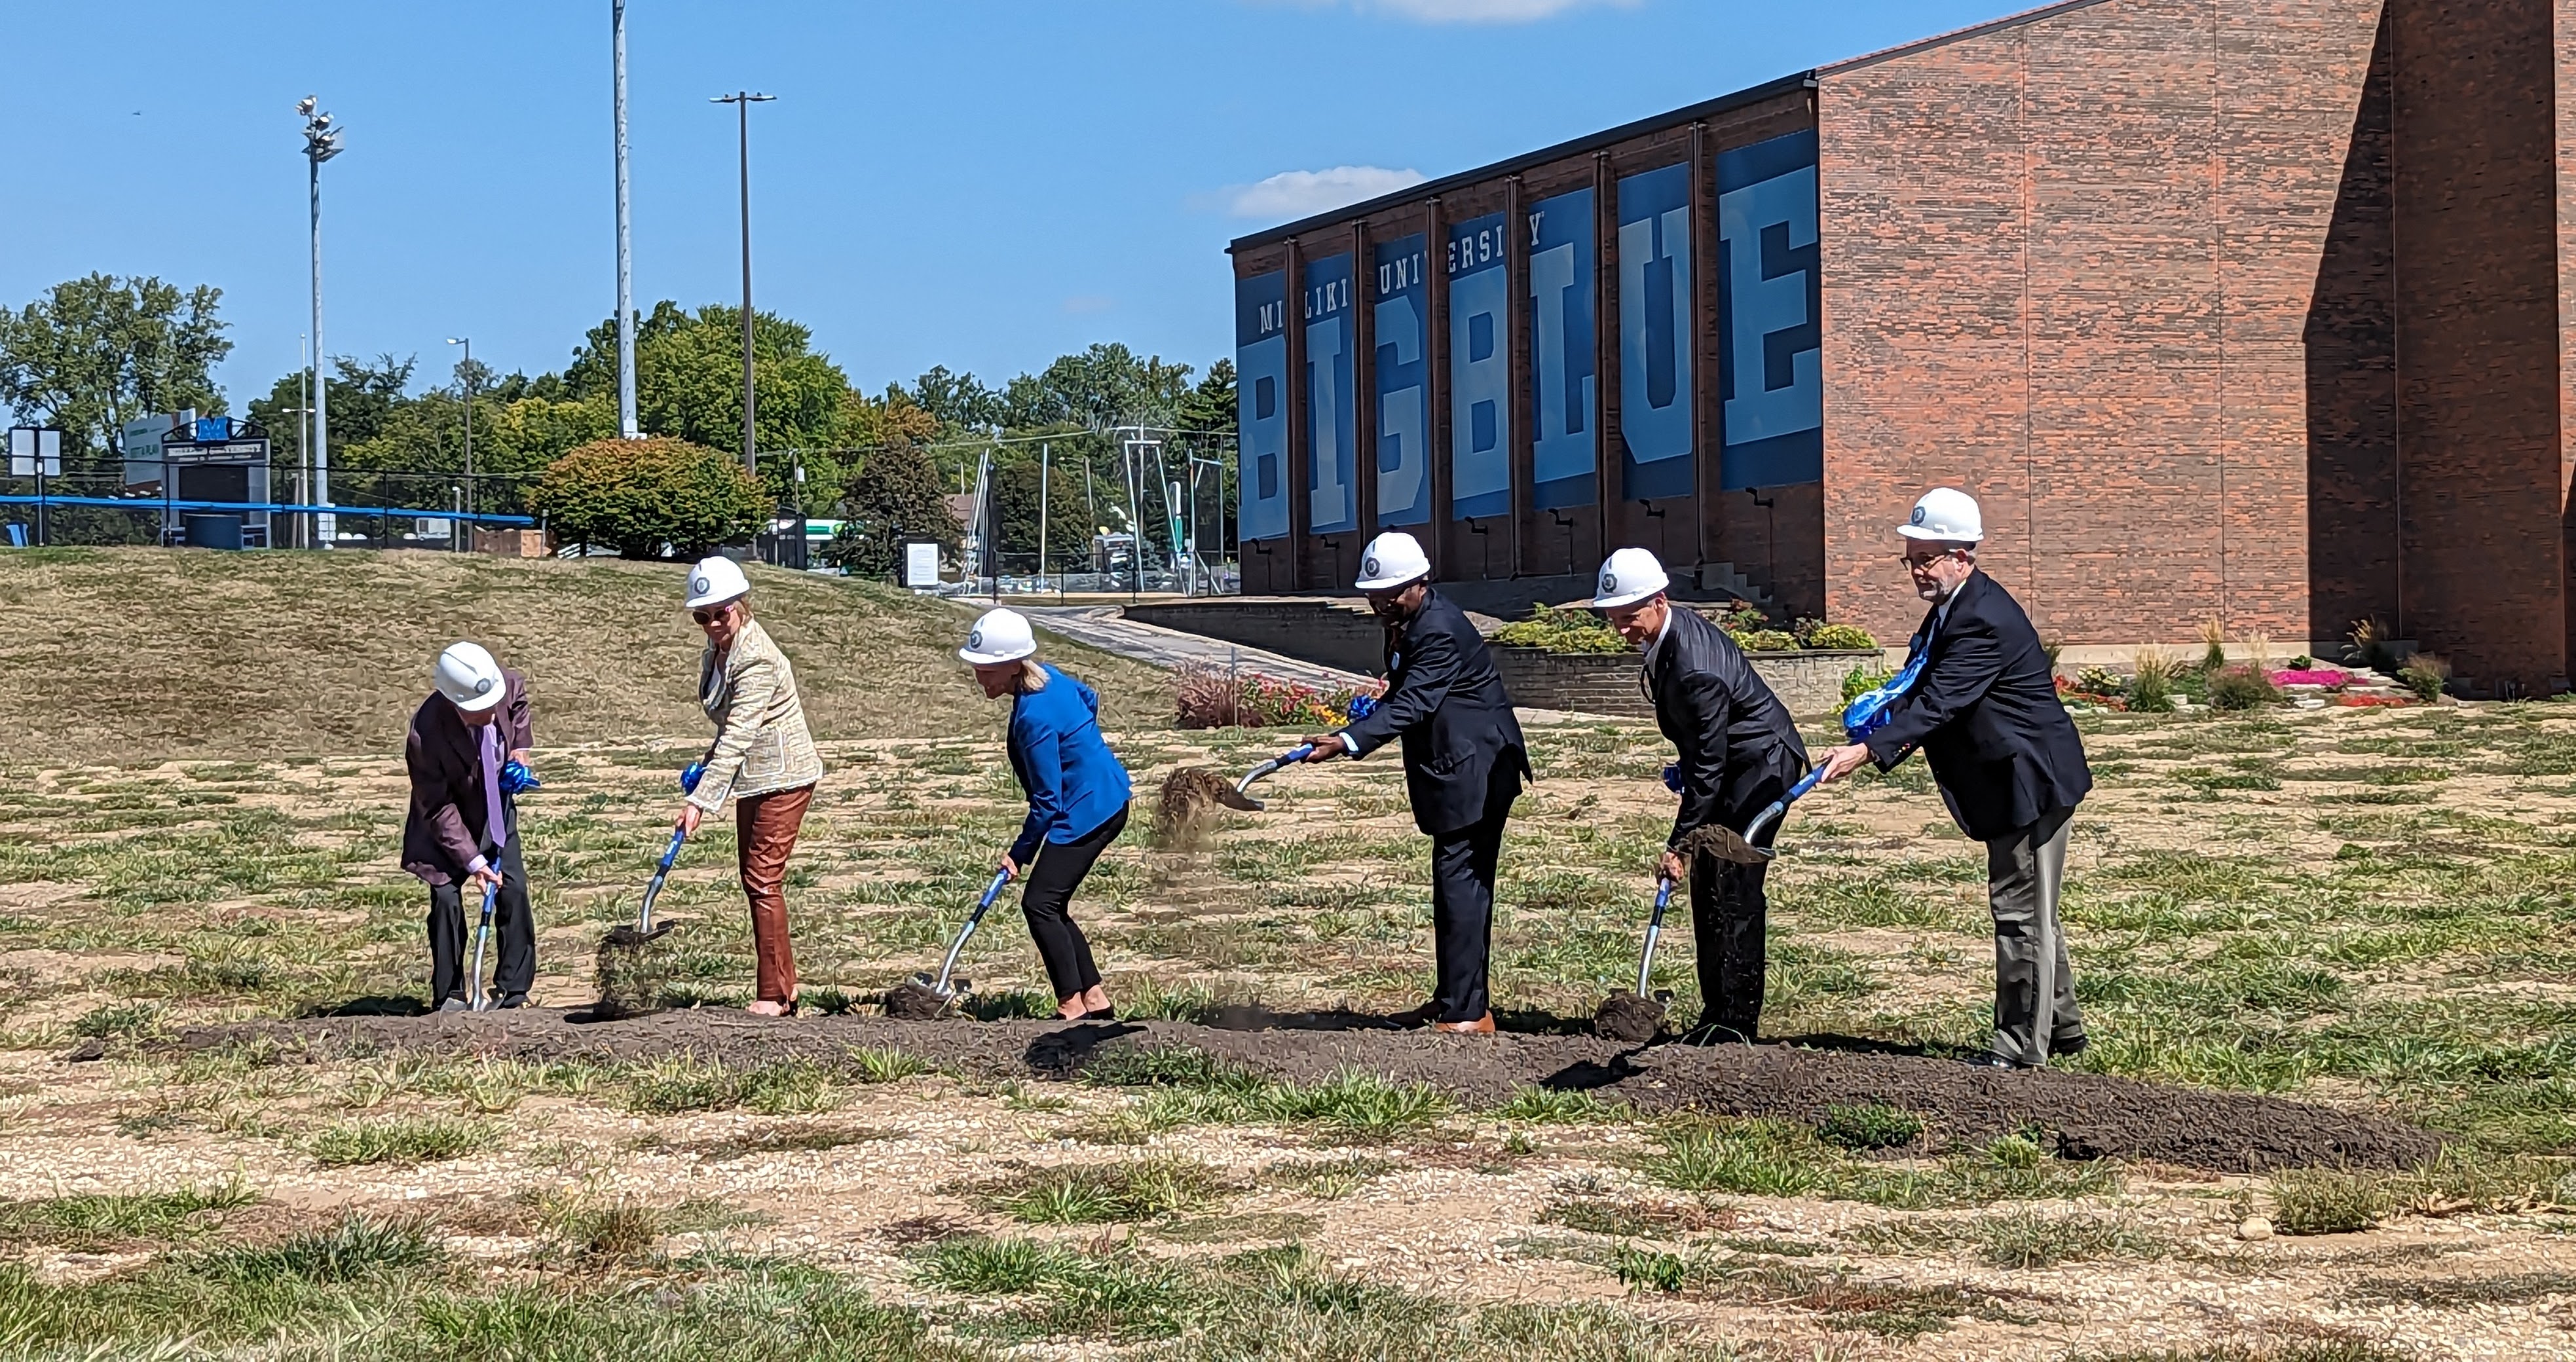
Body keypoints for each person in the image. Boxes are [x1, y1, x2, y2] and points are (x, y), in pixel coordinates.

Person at [1812, 488, 2093, 1069]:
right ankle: (2061, 1030)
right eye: (1910, 559)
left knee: (2018, 913)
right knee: (2032, 910)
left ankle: (2018, 1052)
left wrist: (1865, 752)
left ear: (1963, 557)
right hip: (2005, 775)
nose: (1916, 570)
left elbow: (1940, 704)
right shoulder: (1950, 611)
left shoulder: (1981, 620)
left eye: (1927, 558)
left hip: (2028, 781)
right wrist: (1877, 714)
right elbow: (1920, 686)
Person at [1302, 530, 1530, 1034]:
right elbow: (1403, 692)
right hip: (1454, 768)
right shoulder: (1409, 620)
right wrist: (1351, 729)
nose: (1380, 603)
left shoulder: (1439, 629)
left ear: (1421, 582)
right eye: (1373, 595)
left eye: (1390, 594)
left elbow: (1414, 703)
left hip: (1477, 770)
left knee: (1463, 889)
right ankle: (1453, 1000)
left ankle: (1469, 1013)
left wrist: (1349, 742)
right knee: (1453, 889)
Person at [1592, 547, 1808, 1042]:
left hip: (1759, 768)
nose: (1622, 630)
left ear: (1659, 601)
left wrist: (1678, 843)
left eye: (1630, 618)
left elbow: (1709, 767)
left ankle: (1734, 1023)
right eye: (1613, 620)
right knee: (1708, 885)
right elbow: (1702, 757)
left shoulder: (1696, 669)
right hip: (1730, 765)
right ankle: (1717, 1011)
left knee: (1731, 888)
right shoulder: (1670, 639)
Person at [961, 607, 1132, 1022]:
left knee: (1040, 904)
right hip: (1108, 794)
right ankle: (1095, 999)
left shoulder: (1033, 719)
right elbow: (1089, 698)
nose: (979, 675)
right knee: (1051, 904)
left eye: (986, 668)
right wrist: (1083, 746)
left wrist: (1019, 854)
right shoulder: (1049, 678)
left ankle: (1070, 1004)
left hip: (1087, 811)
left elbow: (1047, 801)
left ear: (1011, 664)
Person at [677, 556, 823, 1018]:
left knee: (763, 879)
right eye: (703, 616)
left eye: (722, 613)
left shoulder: (755, 657)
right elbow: (728, 730)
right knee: (755, 879)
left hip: (784, 777)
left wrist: (701, 801)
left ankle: (774, 994)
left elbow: (741, 730)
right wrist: (706, 767)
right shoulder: (719, 652)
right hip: (754, 778)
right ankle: (783, 987)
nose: (714, 623)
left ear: (741, 605)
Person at [403, 642, 536, 1011]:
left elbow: (518, 704)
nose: (491, 713)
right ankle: (450, 993)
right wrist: (474, 862)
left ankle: (514, 989)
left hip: (496, 806)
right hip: (446, 822)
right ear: (454, 703)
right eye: (479, 710)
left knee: (514, 888)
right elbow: (437, 807)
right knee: (446, 898)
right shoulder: (425, 735)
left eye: (492, 703)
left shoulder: (502, 684)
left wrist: (519, 749)